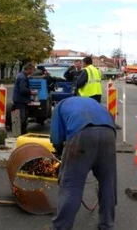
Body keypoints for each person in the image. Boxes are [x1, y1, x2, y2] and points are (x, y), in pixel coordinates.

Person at [50, 96, 117, 230]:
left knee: (72, 185)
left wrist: (60, 152)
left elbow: (56, 137)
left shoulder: (59, 107)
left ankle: (61, 227)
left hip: (81, 134)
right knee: (108, 182)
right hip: (109, 134)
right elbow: (110, 119)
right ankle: (107, 225)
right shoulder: (94, 103)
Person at [13, 63, 36, 135]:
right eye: (32, 70)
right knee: (22, 118)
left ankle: (22, 133)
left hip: (20, 100)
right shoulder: (23, 77)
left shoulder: (21, 75)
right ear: (28, 69)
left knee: (24, 116)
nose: (32, 72)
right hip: (21, 101)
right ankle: (20, 134)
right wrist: (31, 92)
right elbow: (23, 91)